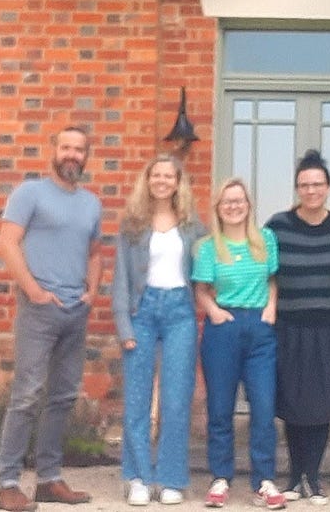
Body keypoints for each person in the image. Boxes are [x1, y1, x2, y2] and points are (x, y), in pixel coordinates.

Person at [0, 126, 103, 512]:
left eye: (79, 149)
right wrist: (35, 291)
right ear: (53, 151)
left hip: (76, 311)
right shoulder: (30, 193)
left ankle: (48, 479)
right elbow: (7, 243)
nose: (72, 155)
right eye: (66, 148)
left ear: (86, 156)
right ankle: (8, 484)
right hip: (39, 311)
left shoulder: (91, 203)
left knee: (63, 396)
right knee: (26, 395)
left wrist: (92, 292)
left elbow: (94, 253)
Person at [112, 154, 207, 506]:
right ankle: (138, 476)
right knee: (136, 398)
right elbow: (120, 278)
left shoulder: (194, 227)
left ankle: (171, 478)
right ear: (148, 180)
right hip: (142, 310)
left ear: (178, 182)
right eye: (157, 175)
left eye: (170, 176)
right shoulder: (133, 224)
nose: (163, 181)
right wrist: (124, 325)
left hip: (181, 311)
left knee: (177, 398)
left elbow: (206, 273)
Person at [265, 150, 330, 505]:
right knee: (292, 402)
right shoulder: (278, 226)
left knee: (323, 404)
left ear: (328, 187)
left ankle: (314, 477)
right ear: (297, 189)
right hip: (290, 326)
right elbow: (266, 271)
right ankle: (293, 474)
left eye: (318, 184)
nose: (311, 190)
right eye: (305, 185)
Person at [194, 178, 285, 511]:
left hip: (260, 329)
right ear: (218, 208)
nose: (234, 206)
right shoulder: (208, 247)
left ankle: (264, 481)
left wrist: (271, 307)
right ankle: (221, 478)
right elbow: (201, 289)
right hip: (224, 329)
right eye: (226, 202)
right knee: (220, 408)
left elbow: (272, 279)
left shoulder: (266, 240)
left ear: (248, 204)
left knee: (263, 407)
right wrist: (215, 313)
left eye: (239, 200)